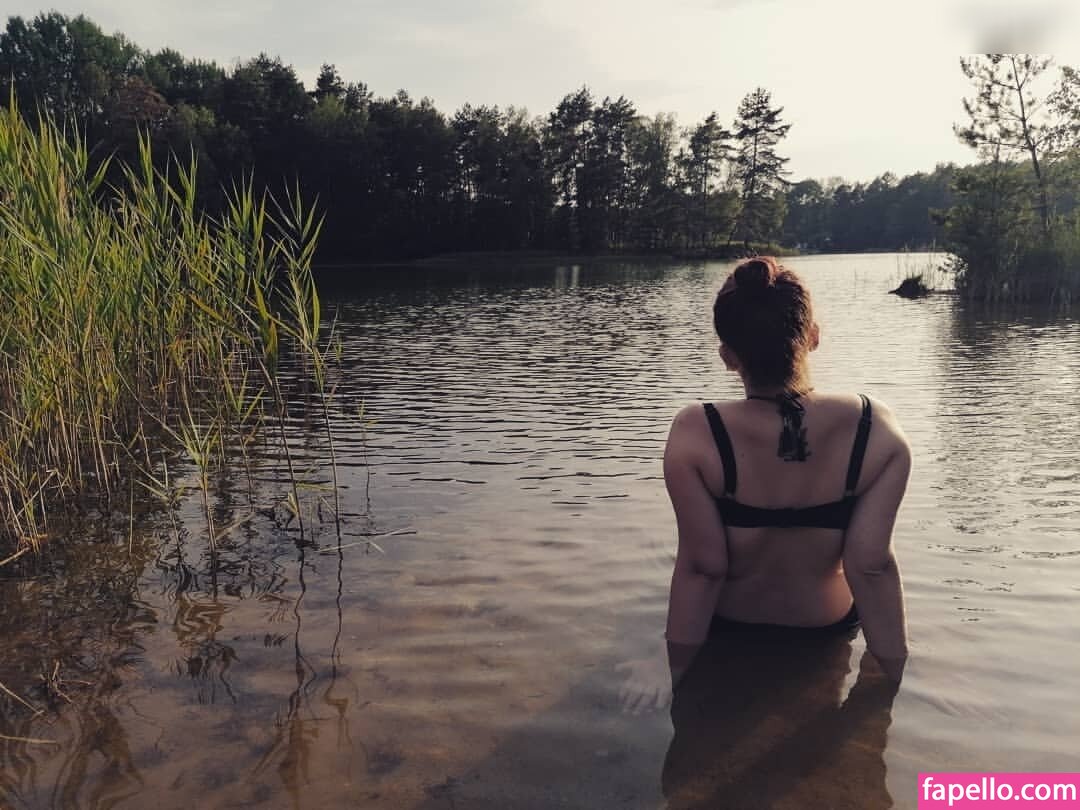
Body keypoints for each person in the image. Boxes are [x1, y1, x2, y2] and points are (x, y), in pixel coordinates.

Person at [619, 256, 910, 713]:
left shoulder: (697, 432)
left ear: (728, 357)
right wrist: (895, 678)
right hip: (825, 629)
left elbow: (703, 568)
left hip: (730, 626)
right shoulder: (874, 427)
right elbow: (871, 567)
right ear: (814, 336)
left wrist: (670, 664)